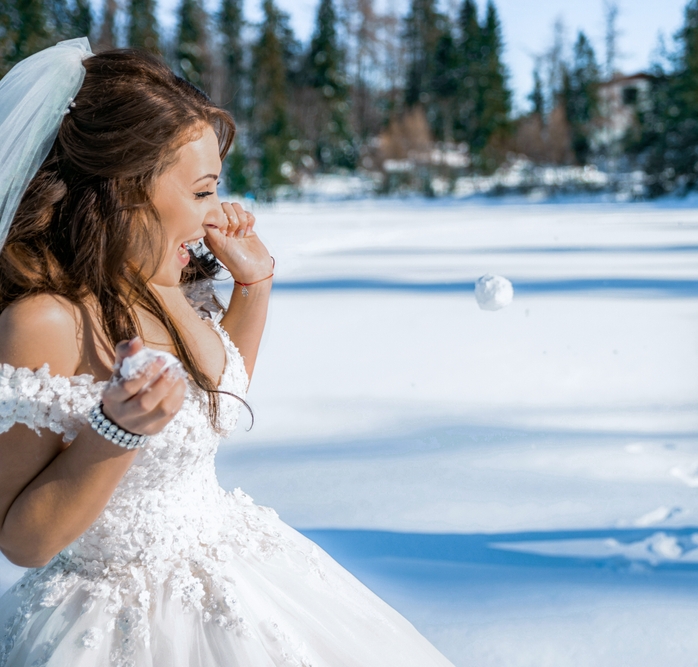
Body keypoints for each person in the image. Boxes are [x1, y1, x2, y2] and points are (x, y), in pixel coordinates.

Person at [0, 39, 454, 665]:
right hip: (113, 623)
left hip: (245, 579)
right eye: (202, 191)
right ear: (123, 188)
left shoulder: (169, 285)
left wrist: (254, 287)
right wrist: (114, 433)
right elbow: (24, 541)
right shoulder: (46, 322)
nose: (218, 212)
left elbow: (219, 402)